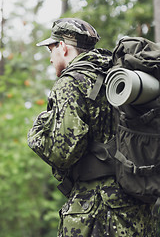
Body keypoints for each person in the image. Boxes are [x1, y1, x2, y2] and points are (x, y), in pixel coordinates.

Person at [28, 18, 157, 237]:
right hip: (136, 204)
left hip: (96, 209)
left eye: (51, 49)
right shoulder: (115, 73)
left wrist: (36, 134)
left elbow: (63, 153)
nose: (50, 59)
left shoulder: (71, 81)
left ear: (64, 47)